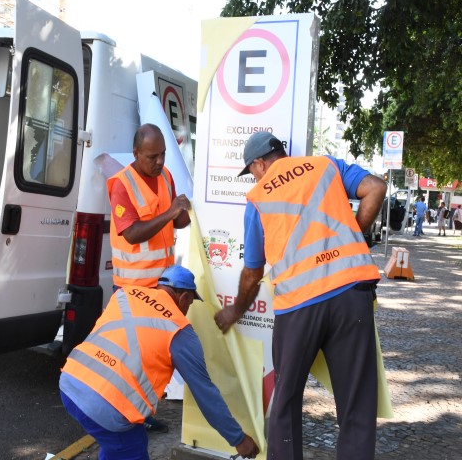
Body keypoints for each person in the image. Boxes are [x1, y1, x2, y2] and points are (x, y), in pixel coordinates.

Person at [214, 132, 387, 460]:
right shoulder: (325, 165)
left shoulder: (259, 196)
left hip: (299, 307)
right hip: (351, 295)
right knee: (356, 406)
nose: (253, 177)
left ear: (260, 163)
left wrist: (235, 310)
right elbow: (376, 188)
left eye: (251, 171)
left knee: (286, 402)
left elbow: (253, 271)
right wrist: (355, 238)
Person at [59, 265, 260, 460]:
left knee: (114, 444)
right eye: (189, 305)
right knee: (130, 448)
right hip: (106, 408)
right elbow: (206, 395)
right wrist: (238, 438)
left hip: (70, 383)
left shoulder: (124, 294)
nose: (187, 310)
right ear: (185, 298)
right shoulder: (180, 332)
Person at [107, 123, 191, 433]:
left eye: (163, 155)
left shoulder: (165, 177)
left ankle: (142, 414)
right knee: (129, 358)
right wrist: (170, 213)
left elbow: (175, 222)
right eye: (152, 157)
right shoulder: (121, 184)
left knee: (151, 359)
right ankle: (122, 416)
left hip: (162, 288)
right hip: (132, 289)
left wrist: (183, 212)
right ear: (136, 153)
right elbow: (131, 234)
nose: (159, 162)